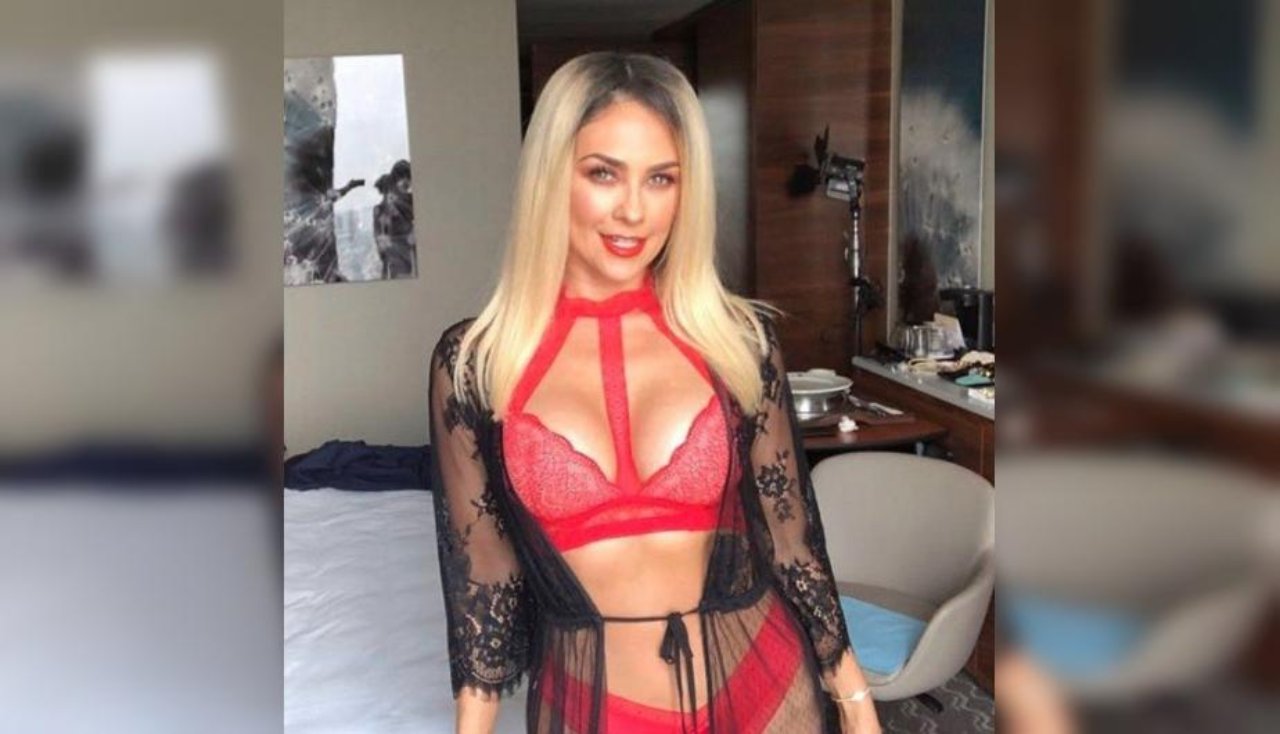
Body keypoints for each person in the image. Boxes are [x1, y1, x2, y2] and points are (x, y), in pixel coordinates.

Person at [429, 52, 881, 734]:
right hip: (595, 705)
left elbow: (793, 545)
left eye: (661, 178)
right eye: (603, 173)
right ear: (551, 177)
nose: (634, 210)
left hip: (760, 687)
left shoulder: (737, 341)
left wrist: (858, 707)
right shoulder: (475, 363)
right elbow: (485, 576)